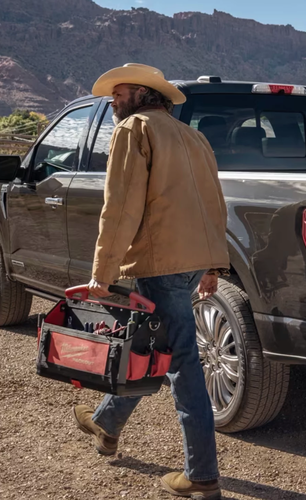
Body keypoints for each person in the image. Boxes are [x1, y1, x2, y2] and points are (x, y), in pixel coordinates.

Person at [71, 63, 230, 500]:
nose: (112, 101)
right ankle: (106, 422)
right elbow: (215, 203)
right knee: (149, 348)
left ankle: (201, 477)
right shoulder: (194, 137)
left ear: (143, 93)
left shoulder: (134, 129)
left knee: (180, 362)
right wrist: (213, 265)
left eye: (119, 93)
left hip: (160, 262)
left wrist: (102, 274)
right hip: (192, 259)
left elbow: (120, 208)